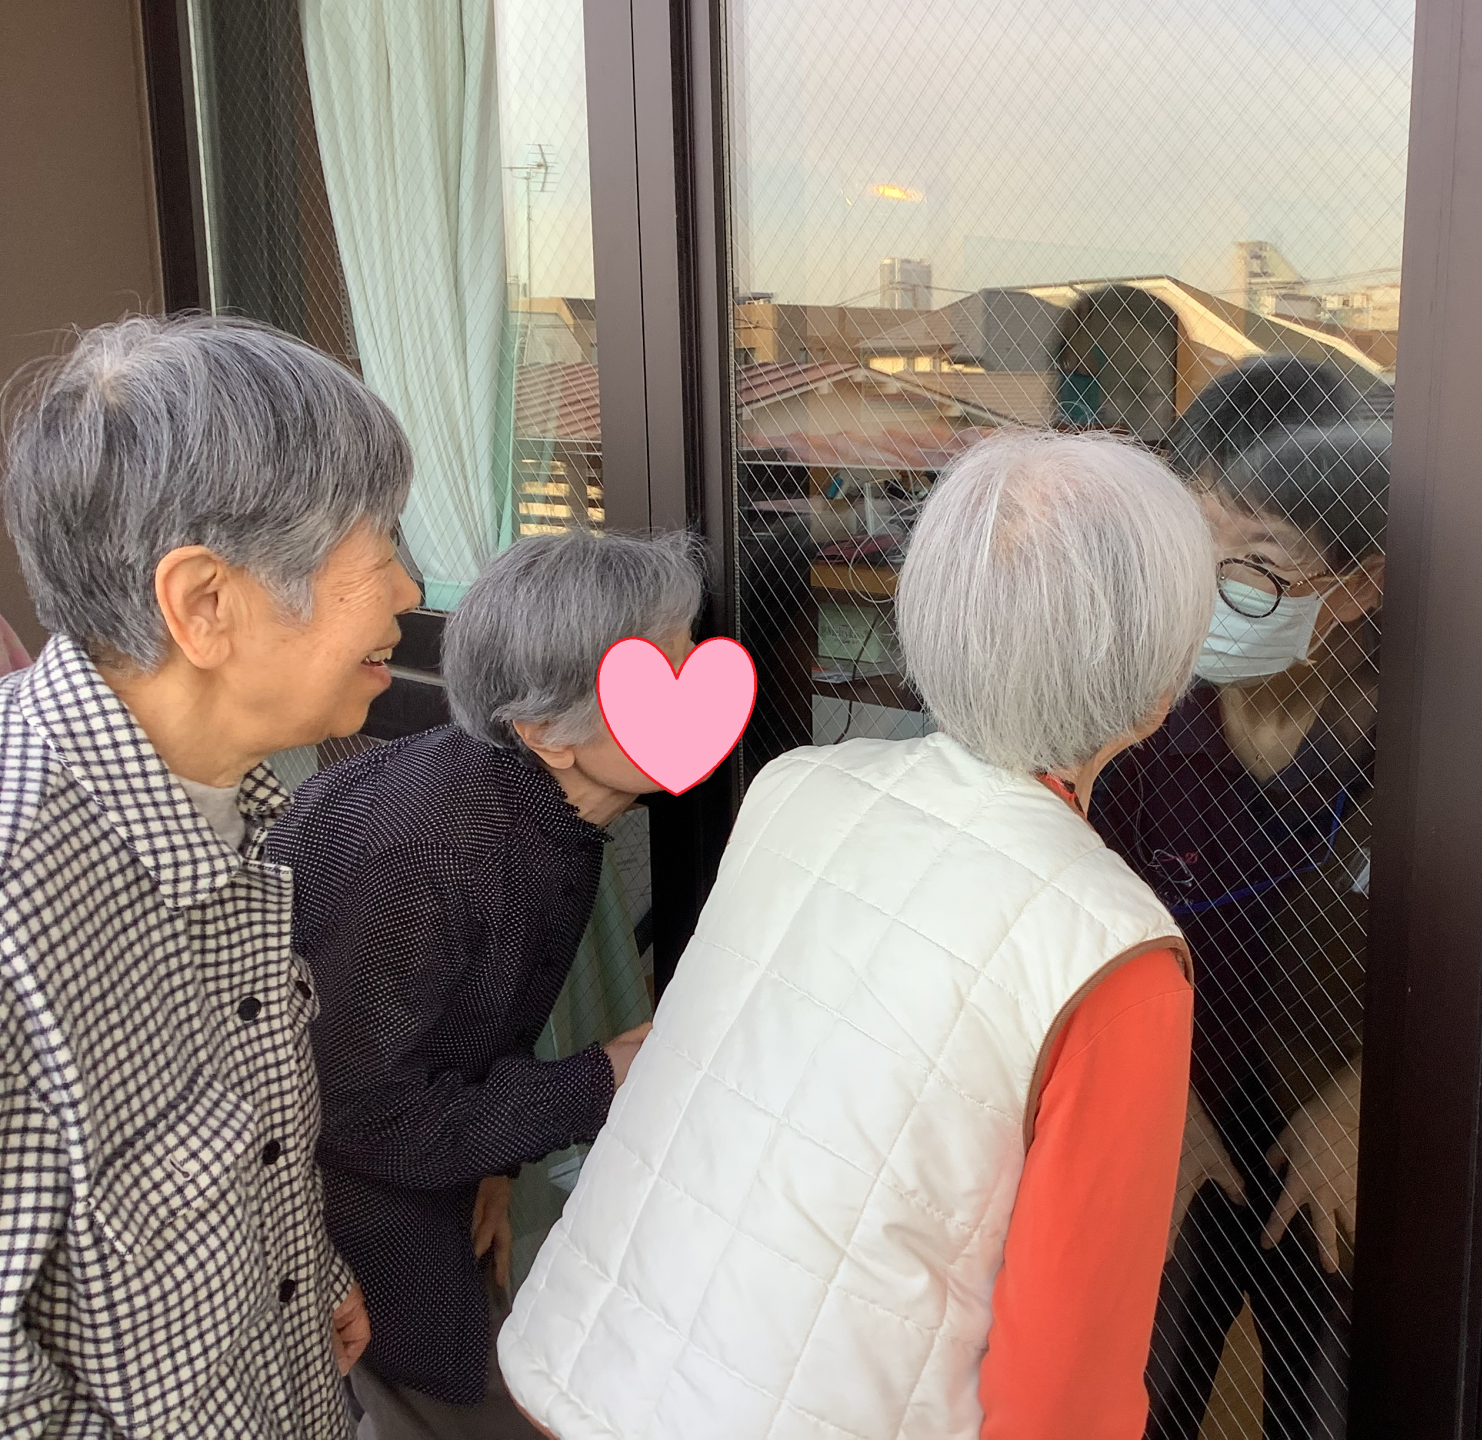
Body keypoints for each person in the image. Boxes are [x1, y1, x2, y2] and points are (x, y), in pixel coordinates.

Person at [498, 429, 1216, 1439]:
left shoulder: (798, 789)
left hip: (582, 1364)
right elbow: (1065, 1392)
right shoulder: (1114, 955)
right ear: (1157, 691)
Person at [0, 314, 419, 1436]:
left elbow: (234, 1142)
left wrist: (304, 1275)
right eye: (378, 544)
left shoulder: (226, 799)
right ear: (205, 604)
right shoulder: (19, 902)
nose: (408, 588)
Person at [263, 528, 701, 1439]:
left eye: (690, 654)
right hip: (343, 1245)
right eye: (657, 674)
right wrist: (603, 1078)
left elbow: (468, 1026)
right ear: (543, 730)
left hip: (424, 1205)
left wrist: (491, 1169)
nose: (693, 690)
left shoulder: (536, 810)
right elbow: (355, 1116)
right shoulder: (432, 855)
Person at [1092, 357, 1389, 1440]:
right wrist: (1164, 1111)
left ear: (1358, 584)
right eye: (1191, 540)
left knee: (1325, 1401)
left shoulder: (1431, 735)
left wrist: (1360, 1109)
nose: (1207, 590)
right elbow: (1083, 918)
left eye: (1257, 560)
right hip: (1183, 1107)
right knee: (1145, 1392)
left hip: (1345, 1128)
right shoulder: (1141, 718)